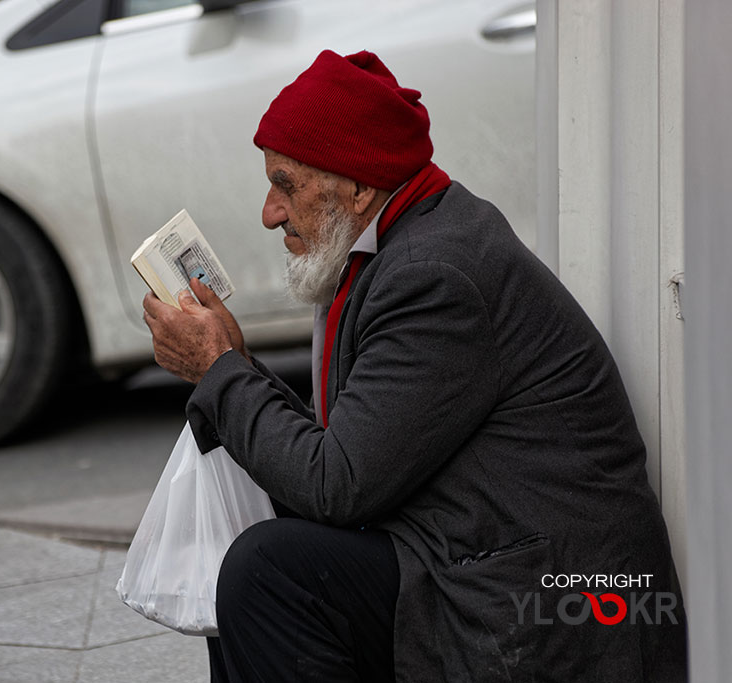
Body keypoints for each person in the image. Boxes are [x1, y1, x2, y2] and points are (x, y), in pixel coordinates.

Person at [141, 49, 686, 682]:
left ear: (357, 185)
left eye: (285, 184)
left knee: (269, 570)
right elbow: (350, 457)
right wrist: (230, 367)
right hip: (491, 557)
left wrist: (219, 370)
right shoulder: (401, 242)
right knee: (261, 566)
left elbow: (335, 485)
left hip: (563, 604)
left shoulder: (435, 276)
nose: (270, 211)